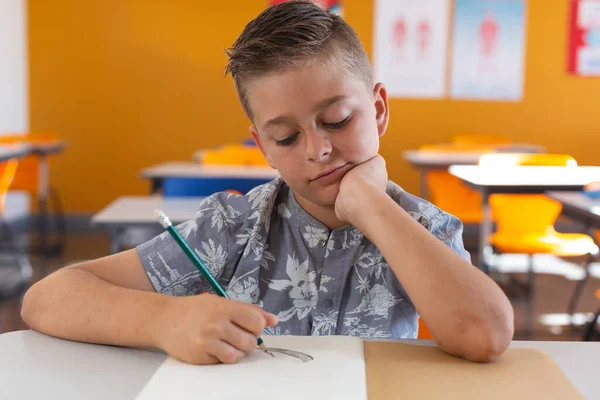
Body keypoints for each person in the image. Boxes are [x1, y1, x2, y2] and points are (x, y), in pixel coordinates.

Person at [21, 0, 513, 365]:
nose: (317, 149)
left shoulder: (423, 228)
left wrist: (371, 206)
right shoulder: (231, 229)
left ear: (379, 109)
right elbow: (46, 298)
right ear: (262, 145)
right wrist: (164, 319)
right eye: (285, 136)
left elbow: (487, 335)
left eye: (338, 120)